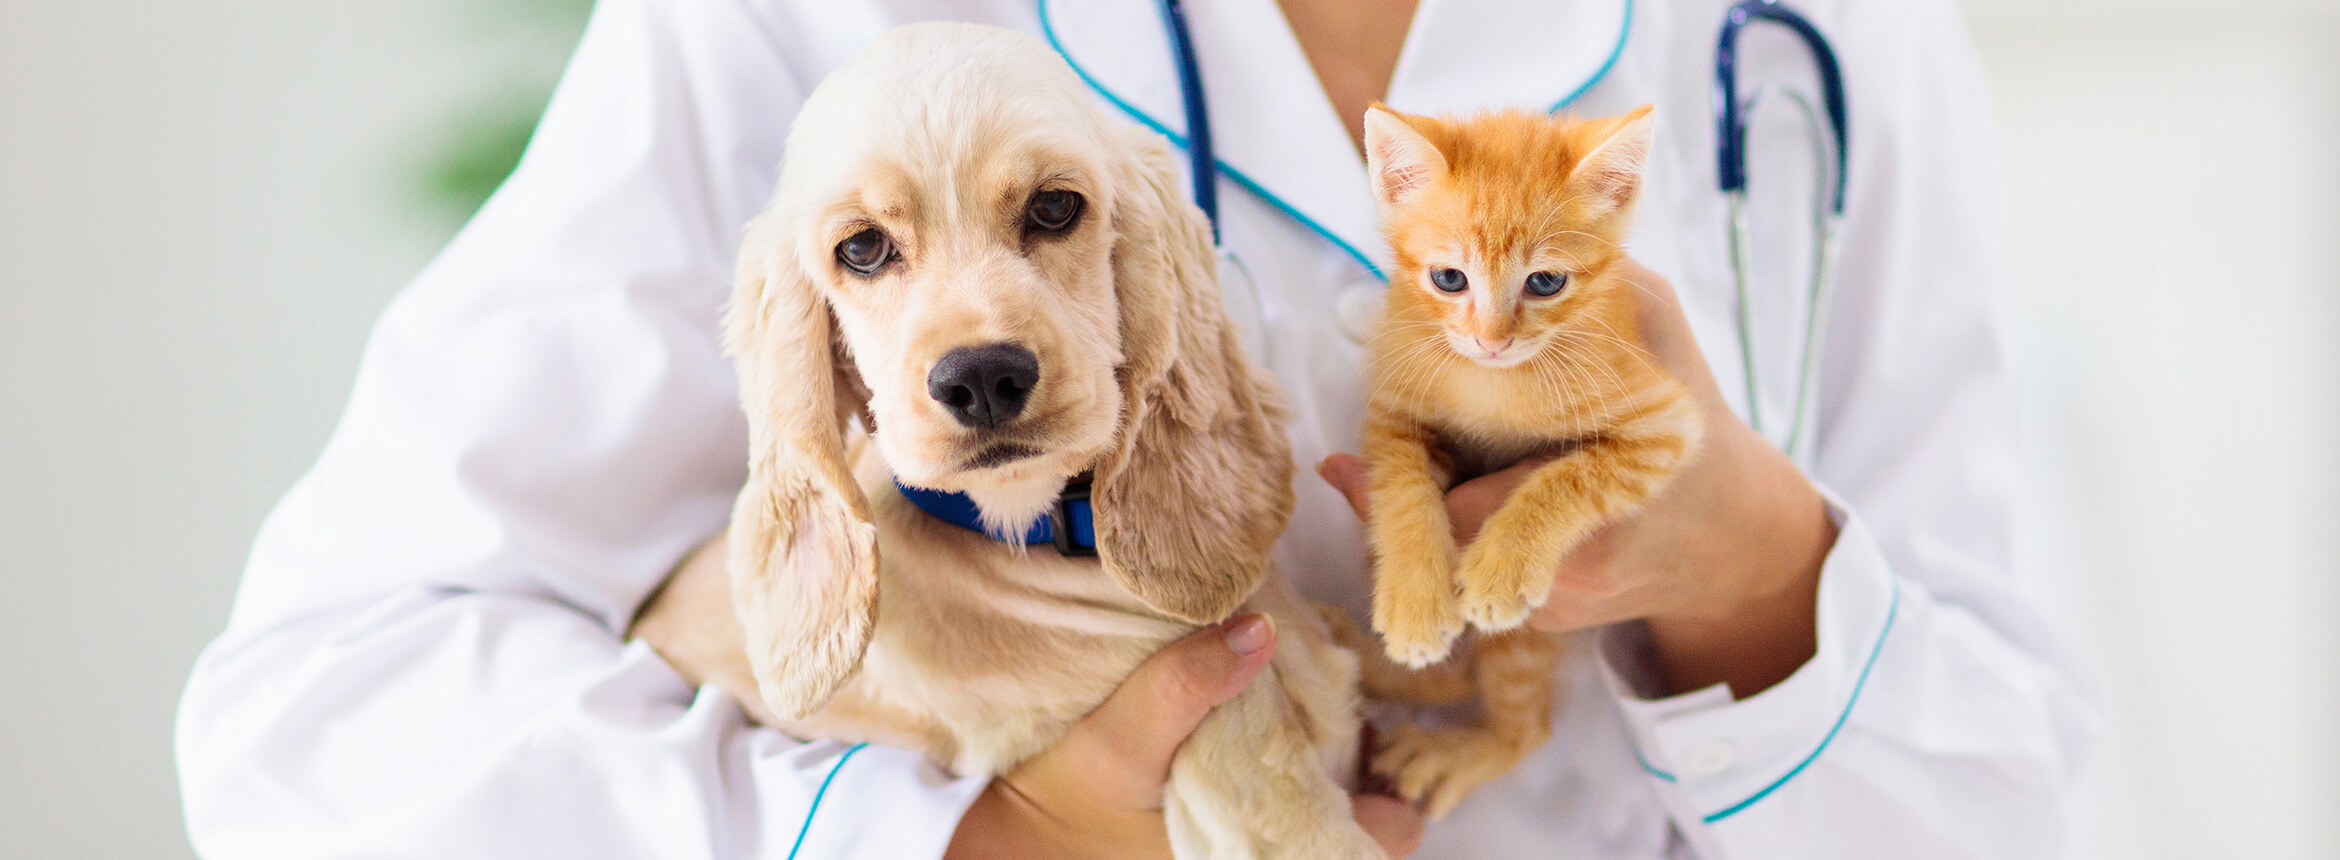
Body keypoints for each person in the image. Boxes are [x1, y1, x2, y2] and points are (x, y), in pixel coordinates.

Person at [175, 0, 2100, 857]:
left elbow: (2010, 808)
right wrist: (991, 848)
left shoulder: (1827, 36)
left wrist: (1756, 571)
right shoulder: (772, 26)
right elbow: (323, 728)